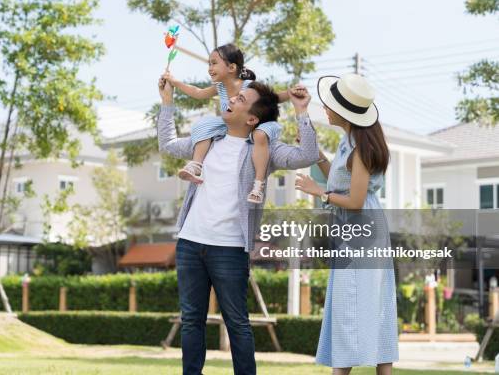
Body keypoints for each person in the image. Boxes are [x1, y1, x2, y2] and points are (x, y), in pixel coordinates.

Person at [157, 74, 319, 375]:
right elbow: (167, 144)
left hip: (230, 248)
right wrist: (167, 102)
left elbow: (307, 154)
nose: (232, 99)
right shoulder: (207, 140)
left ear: (253, 119)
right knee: (191, 319)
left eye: (241, 99)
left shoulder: (264, 149)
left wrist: (301, 111)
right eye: (236, 96)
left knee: (237, 322)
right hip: (191, 242)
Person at [293, 73, 399, 375]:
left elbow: (353, 200)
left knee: (353, 304)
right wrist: (318, 156)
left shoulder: (360, 149)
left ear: (345, 112)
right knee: (364, 303)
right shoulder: (348, 142)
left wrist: (319, 193)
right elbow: (337, 178)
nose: (325, 108)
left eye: (330, 105)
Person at [163, 43, 290, 204]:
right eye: (209, 63)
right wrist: (174, 82)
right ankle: (196, 165)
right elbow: (198, 93)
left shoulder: (248, 87)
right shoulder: (220, 87)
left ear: (231, 67)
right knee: (205, 124)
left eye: (214, 63)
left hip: (257, 124)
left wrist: (290, 94)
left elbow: (273, 98)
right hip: (233, 126)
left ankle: (258, 185)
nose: (210, 68)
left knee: (259, 136)